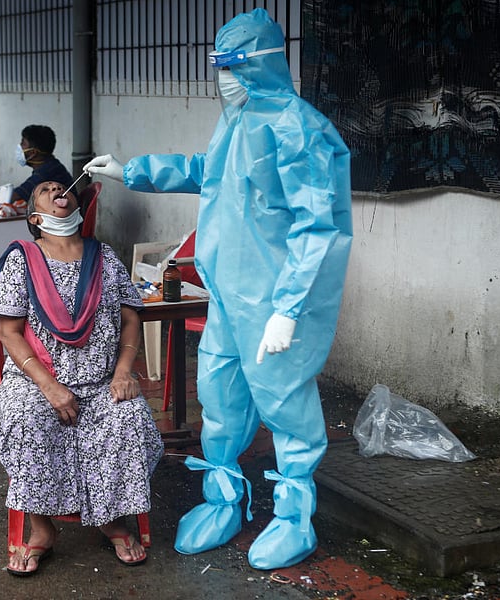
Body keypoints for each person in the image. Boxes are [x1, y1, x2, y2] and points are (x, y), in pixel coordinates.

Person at [84, 8, 353, 570]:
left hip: (277, 299)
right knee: (221, 396)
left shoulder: (298, 129)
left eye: (231, 66)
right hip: (229, 293)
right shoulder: (240, 119)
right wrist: (131, 170)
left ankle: (293, 518)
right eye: (218, 67)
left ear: (261, 65)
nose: (222, 78)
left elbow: (319, 227)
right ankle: (224, 499)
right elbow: (209, 169)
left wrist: (289, 308)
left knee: (285, 403)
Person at [0, 180, 163, 576]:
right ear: (35, 217)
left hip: (101, 379)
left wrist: (123, 373)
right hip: (37, 381)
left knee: (129, 416)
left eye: (59, 184)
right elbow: (9, 333)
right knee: (25, 417)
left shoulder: (103, 255)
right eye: (46, 190)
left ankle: (112, 517)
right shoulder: (22, 259)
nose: (56, 187)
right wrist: (49, 387)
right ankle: (41, 529)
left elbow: (131, 316)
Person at [12, 125, 73, 206]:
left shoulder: (46, 172)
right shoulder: (52, 165)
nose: (20, 147)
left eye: (23, 143)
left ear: (33, 152)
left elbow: (13, 197)